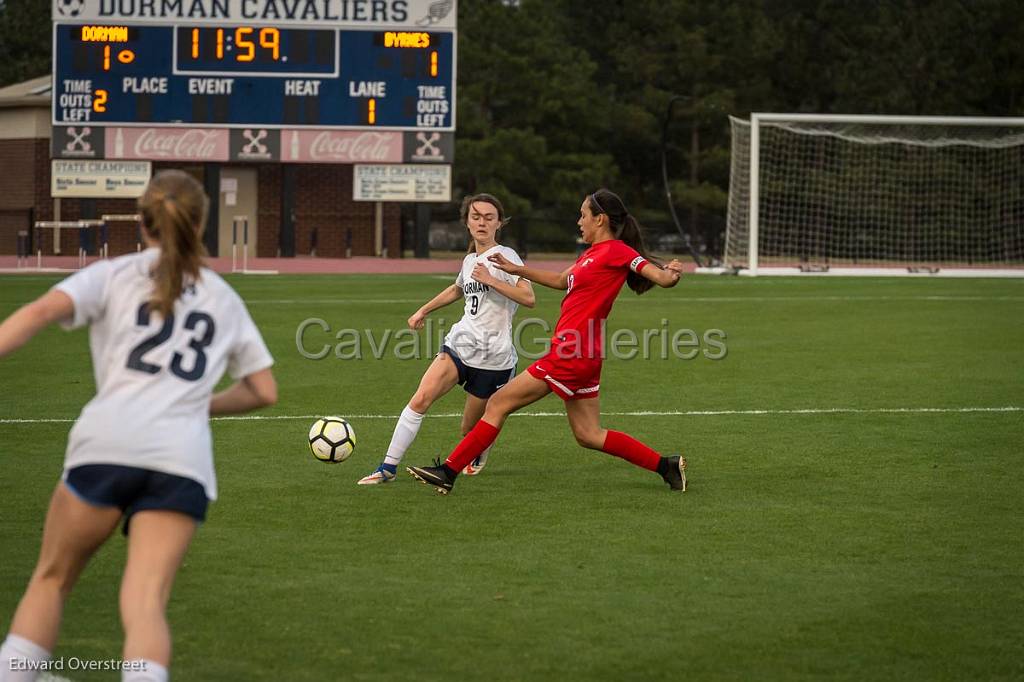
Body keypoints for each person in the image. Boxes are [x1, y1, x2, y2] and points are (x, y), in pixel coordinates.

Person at [0, 170, 277, 682]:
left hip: (105, 444)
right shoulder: (222, 296)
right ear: (201, 222)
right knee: (146, 602)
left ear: (142, 219)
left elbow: (39, 312)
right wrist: (195, 404)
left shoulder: (113, 273)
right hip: (181, 458)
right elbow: (265, 390)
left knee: (51, 580)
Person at [407, 188, 687, 495]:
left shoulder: (618, 251)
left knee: (498, 403)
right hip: (583, 355)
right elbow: (559, 281)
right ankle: (666, 466)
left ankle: (448, 471)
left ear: (601, 219)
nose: (579, 221)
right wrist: (516, 269)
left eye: (583, 215)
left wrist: (670, 274)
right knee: (588, 434)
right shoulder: (590, 255)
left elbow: (659, 277)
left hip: (572, 353)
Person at [357, 193, 535, 485]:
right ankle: (387, 467)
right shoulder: (469, 260)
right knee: (421, 398)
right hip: (460, 345)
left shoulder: (507, 256)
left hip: (494, 358)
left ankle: (480, 448)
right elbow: (457, 290)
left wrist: (491, 279)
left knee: (469, 429)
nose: (482, 222)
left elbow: (529, 298)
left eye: (489, 217)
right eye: (475, 216)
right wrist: (423, 310)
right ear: (466, 222)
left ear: (499, 223)